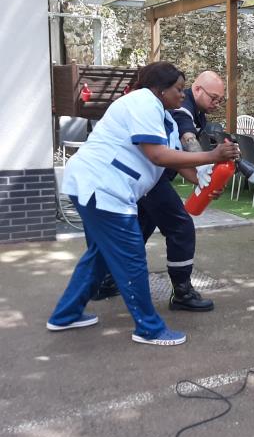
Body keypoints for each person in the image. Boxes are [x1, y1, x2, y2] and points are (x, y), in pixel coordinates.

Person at [46, 62, 240, 346]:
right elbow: (158, 156)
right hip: (102, 187)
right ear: (160, 89)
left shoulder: (164, 116)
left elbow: (177, 161)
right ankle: (149, 328)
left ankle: (66, 314)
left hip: (101, 187)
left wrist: (206, 182)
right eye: (178, 89)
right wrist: (212, 156)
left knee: (99, 256)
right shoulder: (142, 103)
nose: (182, 94)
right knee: (132, 257)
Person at [93, 70, 227, 312]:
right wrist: (208, 160)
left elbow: (175, 154)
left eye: (220, 100)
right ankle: (182, 293)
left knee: (141, 229)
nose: (217, 104)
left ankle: (106, 279)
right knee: (181, 226)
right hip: (145, 176)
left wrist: (202, 181)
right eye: (214, 98)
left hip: (145, 176)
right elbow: (183, 138)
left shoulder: (175, 111)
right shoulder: (180, 108)